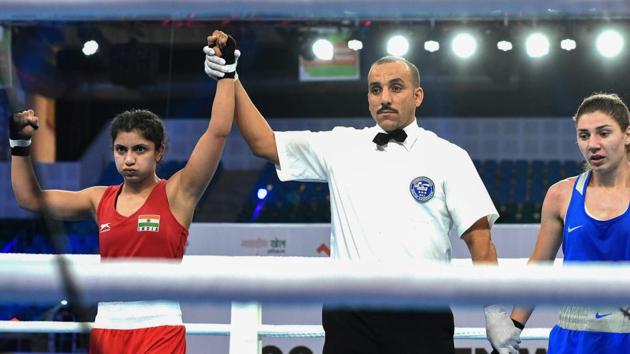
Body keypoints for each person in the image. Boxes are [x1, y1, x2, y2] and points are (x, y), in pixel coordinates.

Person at [204, 40, 517, 353]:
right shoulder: (341, 146)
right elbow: (263, 142)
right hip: (350, 315)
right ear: (368, 98)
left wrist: (495, 312)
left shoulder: (449, 157)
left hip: (423, 313)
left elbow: (480, 241)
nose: (385, 98)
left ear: (417, 96)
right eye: (375, 89)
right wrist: (231, 76)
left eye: (396, 88)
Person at [10, 31, 237, 354]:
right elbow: (30, 198)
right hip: (107, 328)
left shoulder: (179, 192)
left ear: (159, 152)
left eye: (139, 149)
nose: (128, 159)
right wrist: (19, 147)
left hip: (160, 326)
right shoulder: (97, 198)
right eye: (121, 149)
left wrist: (226, 73)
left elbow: (218, 132)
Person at [499, 93, 630, 354]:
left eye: (603, 133)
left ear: (627, 135)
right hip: (573, 340)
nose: (593, 144)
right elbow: (540, 266)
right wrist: (513, 327)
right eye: (584, 135)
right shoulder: (561, 195)